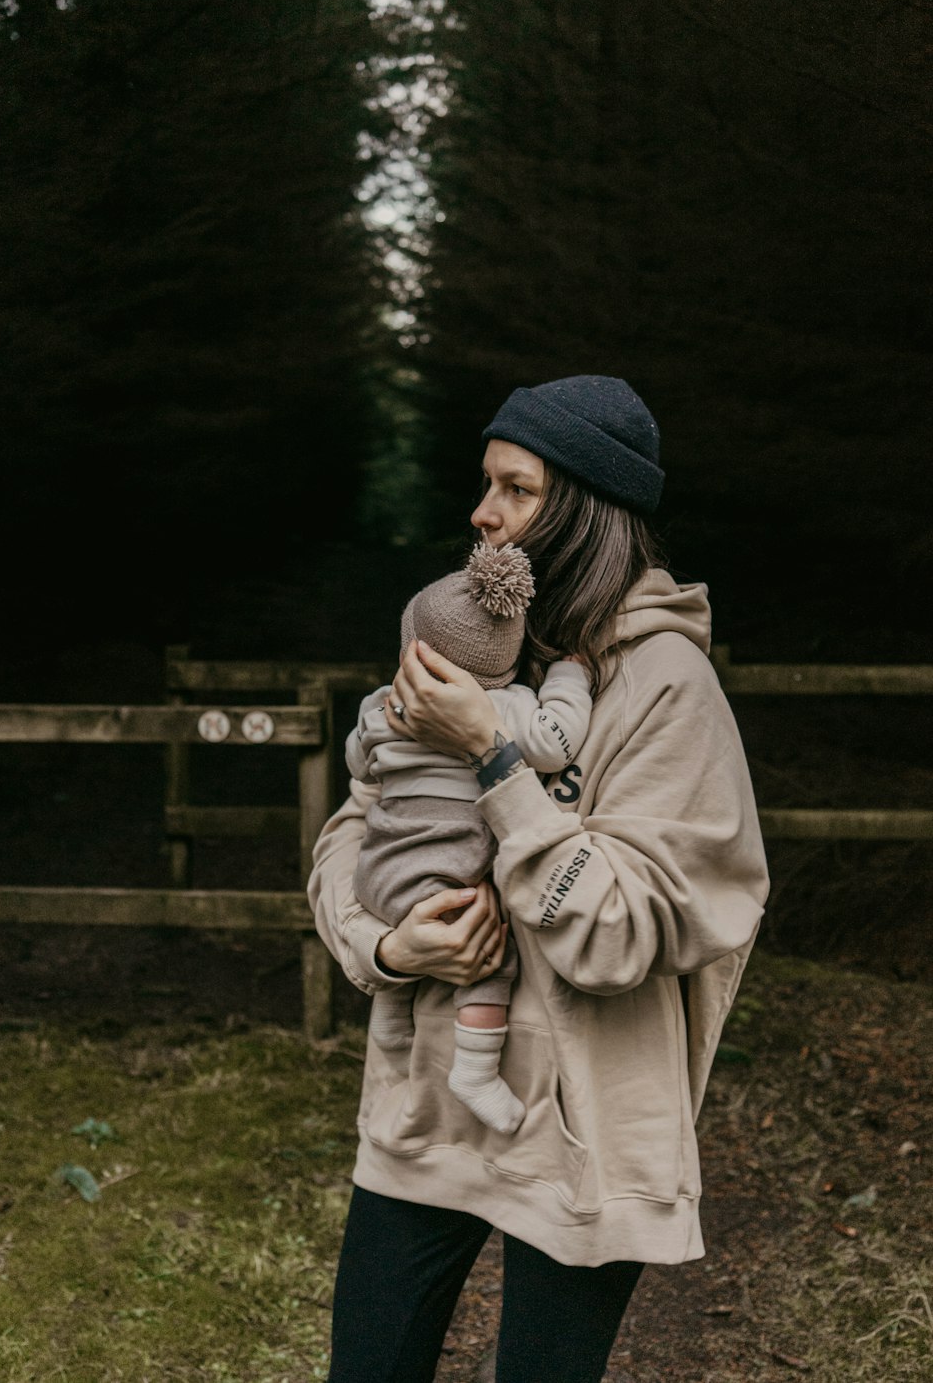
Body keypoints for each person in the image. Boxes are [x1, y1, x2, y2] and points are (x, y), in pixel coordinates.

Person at [308, 374, 770, 1383]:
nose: (482, 512)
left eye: (515, 489)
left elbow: (615, 932)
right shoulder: (476, 649)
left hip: (584, 1138)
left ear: (583, 514)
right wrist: (385, 945)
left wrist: (496, 761)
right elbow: (356, 826)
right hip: (432, 1108)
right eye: (486, 484)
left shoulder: (666, 687)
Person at [346, 539, 594, 1135]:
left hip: (378, 870)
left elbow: (360, 764)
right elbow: (558, 741)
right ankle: (476, 1071)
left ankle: (387, 1016)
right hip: (449, 869)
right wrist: (568, 675)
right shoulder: (505, 706)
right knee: (487, 955)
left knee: (412, 934)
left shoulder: (384, 704)